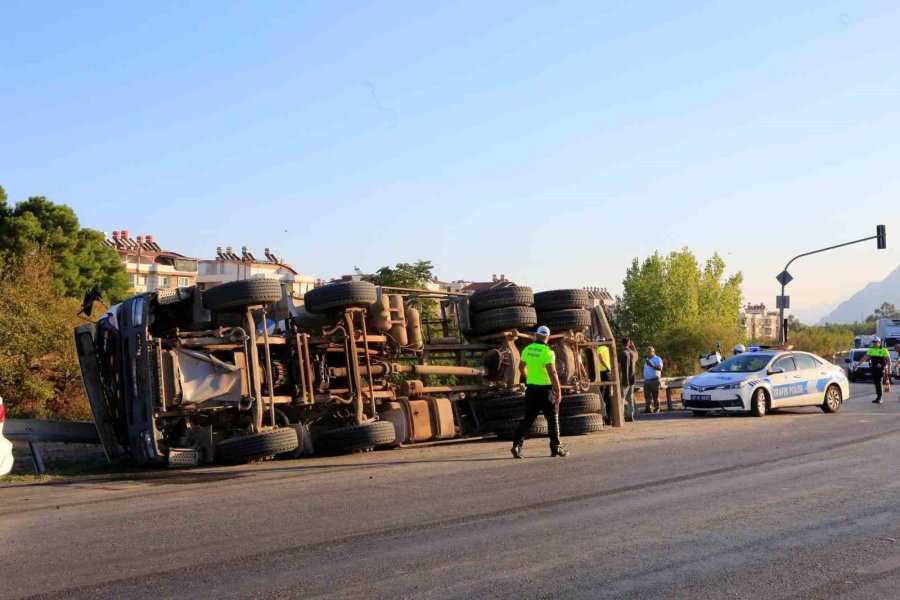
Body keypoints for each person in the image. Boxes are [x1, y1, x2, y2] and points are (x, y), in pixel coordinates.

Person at [511, 325, 569, 458]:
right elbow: (553, 372)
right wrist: (558, 390)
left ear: (537, 335)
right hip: (546, 390)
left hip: (531, 389)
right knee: (552, 419)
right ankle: (556, 448)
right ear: (547, 337)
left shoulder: (527, 350)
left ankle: (516, 445)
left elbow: (521, 367)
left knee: (528, 419)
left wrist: (528, 378)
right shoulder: (548, 352)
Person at [856, 336, 891, 404]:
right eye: (873, 342)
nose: (874, 344)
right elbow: (864, 358)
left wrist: (889, 369)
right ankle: (878, 396)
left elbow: (889, 360)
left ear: (879, 342)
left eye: (876, 342)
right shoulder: (871, 350)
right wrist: (858, 365)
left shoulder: (884, 350)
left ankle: (880, 397)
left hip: (881, 369)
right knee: (876, 382)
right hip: (874, 368)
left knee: (879, 382)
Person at [619, 338, 638, 422]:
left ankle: (621, 416)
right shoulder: (633, 353)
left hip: (624, 379)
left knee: (621, 398)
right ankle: (630, 416)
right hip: (632, 379)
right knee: (630, 398)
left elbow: (618, 367)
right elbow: (637, 355)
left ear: (622, 344)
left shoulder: (622, 353)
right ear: (629, 343)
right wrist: (633, 346)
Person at [642, 346, 663, 413]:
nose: (647, 353)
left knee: (655, 395)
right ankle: (648, 409)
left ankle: (657, 408)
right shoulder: (646, 359)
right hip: (647, 380)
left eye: (649, 352)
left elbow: (660, 368)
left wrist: (651, 364)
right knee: (647, 396)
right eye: (647, 352)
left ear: (653, 352)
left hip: (654, 380)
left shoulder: (657, 358)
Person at [597, 338, 613, 424]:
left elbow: (601, 359)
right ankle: (609, 418)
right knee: (607, 395)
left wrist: (607, 367)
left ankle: (603, 417)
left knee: (601, 395)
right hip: (607, 372)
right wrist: (609, 369)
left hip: (601, 373)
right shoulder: (607, 348)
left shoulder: (598, 349)